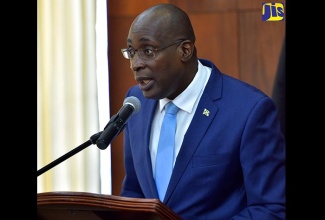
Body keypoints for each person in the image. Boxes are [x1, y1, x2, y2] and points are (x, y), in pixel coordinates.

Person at [119, 3, 286, 220]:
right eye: (131, 52)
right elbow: (134, 192)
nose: (135, 64)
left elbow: (271, 208)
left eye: (148, 51)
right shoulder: (136, 103)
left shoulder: (249, 110)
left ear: (185, 51)